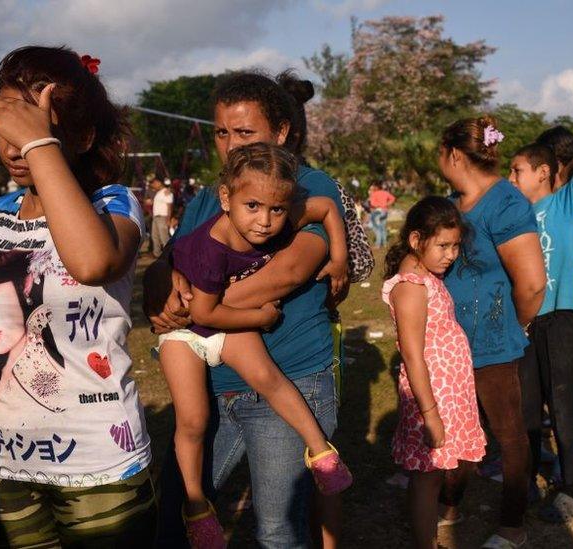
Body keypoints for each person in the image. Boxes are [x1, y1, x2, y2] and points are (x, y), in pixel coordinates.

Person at [0, 45, 155, 547]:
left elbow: (92, 264)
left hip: (101, 465)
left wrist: (38, 142)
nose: (14, 146)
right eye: (8, 128)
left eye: (33, 129)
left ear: (83, 137)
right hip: (3, 460)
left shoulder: (113, 203)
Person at [147, 70, 350, 548]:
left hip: (284, 377)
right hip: (211, 381)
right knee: (174, 520)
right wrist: (159, 294)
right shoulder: (210, 197)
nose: (231, 145)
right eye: (221, 133)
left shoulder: (299, 187)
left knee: (278, 532)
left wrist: (198, 308)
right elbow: (165, 260)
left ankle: (323, 456)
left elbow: (289, 271)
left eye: (244, 132)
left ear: (280, 132)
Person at [436, 116, 547, 548]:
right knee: (456, 430)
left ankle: (512, 526)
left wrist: (511, 327)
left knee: (507, 433)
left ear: (455, 155)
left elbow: (533, 283)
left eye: (440, 155)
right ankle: (449, 504)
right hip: (450, 344)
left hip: (493, 345)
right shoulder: (453, 202)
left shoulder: (506, 203)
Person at [382, 196, 486, 549]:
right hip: (433, 397)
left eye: (456, 246)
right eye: (443, 245)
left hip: (448, 393)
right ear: (416, 240)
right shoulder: (411, 287)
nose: (451, 254)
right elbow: (412, 356)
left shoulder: (427, 276)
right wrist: (430, 415)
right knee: (427, 477)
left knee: (438, 471)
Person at [509, 140, 573, 522]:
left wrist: (560, 173)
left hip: (562, 317)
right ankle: (526, 481)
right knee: (527, 408)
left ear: (543, 173)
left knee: (562, 405)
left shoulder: (565, 201)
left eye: (517, 170)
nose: (510, 177)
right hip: (525, 321)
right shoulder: (516, 215)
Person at [150, 177, 174, 257]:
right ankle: (157, 254)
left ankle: (169, 255)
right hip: (156, 217)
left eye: (155, 183)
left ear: (160, 183)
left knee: (164, 237)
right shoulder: (159, 193)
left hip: (163, 217)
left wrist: (168, 219)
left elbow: (169, 206)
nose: (153, 184)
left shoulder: (166, 192)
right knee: (155, 236)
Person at [368, 182, 396, 247]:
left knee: (377, 228)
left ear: (376, 187)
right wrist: (386, 204)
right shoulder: (385, 193)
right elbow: (393, 198)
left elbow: (372, 204)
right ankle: (385, 243)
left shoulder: (374, 194)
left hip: (377, 211)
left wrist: (378, 205)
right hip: (385, 211)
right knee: (383, 227)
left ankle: (378, 244)